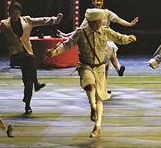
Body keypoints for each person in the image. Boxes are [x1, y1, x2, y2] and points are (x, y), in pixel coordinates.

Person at [46, 8, 136, 138]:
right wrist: (53, 52)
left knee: (99, 97)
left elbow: (118, 37)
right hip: (85, 65)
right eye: (96, 22)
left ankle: (97, 126)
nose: (99, 24)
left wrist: (129, 38)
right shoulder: (81, 33)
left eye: (100, 21)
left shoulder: (105, 31)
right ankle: (92, 107)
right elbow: (66, 45)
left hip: (99, 68)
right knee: (89, 85)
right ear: (89, 22)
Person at [0, 2, 61, 114]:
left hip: (27, 53)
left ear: (20, 13)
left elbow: (42, 21)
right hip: (15, 54)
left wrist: (55, 19)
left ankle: (27, 105)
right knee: (32, 58)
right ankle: (36, 83)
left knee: (27, 80)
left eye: (17, 13)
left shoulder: (27, 21)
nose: (15, 16)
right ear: (9, 13)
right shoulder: (4, 24)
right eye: (13, 13)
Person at [67, 0, 139, 78]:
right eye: (97, 1)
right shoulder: (91, 13)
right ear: (93, 2)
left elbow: (118, 20)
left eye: (101, 1)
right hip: (96, 38)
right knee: (107, 56)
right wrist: (68, 34)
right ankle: (117, 69)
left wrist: (129, 24)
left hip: (106, 36)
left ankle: (116, 71)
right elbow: (82, 27)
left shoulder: (107, 12)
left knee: (109, 55)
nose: (99, 3)